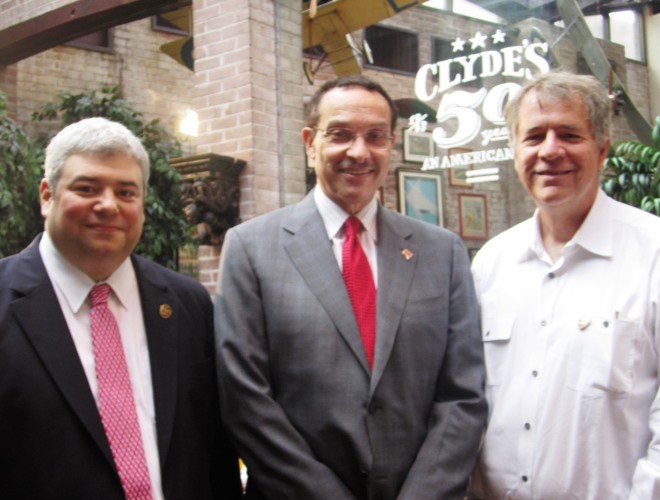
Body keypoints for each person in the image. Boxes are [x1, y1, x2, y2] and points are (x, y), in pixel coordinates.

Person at [214, 75, 487, 499]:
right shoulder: (251, 248)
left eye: (375, 137)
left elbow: (463, 396)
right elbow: (245, 399)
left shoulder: (443, 252)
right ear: (310, 142)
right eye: (340, 135)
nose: (359, 152)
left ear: (391, 145)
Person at [0, 117, 243, 499]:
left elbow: (215, 451)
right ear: (46, 195)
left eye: (126, 192)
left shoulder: (188, 304)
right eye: (87, 188)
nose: (109, 205)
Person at [471, 71, 660, 498]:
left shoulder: (653, 255)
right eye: (534, 136)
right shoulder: (491, 265)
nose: (550, 151)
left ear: (603, 148)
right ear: (516, 151)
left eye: (570, 134)